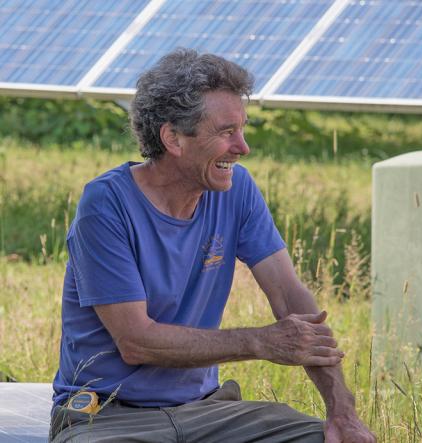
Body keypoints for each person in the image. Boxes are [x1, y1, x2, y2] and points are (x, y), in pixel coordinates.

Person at [50, 48, 376, 443]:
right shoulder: (105, 205)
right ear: (172, 138)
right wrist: (259, 341)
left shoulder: (236, 190)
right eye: (226, 132)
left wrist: (341, 409)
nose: (243, 147)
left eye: (242, 129)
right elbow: (135, 341)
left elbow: (290, 298)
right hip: (108, 417)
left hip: (208, 411)